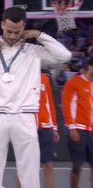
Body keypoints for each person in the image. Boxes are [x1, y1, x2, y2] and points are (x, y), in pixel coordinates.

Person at [0, 6, 71, 188]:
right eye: (9, 31)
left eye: (17, 31)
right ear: (1, 25)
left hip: (25, 115)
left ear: (25, 28)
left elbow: (65, 55)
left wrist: (39, 35)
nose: (13, 36)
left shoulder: (33, 51)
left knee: (29, 173)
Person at [16, 72, 60, 188]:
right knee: (24, 166)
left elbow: (50, 103)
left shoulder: (45, 78)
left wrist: (54, 127)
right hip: (26, 127)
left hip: (46, 127)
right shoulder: (18, 75)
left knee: (48, 165)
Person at [61, 57, 93, 188]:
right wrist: (72, 128)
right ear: (88, 67)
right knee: (77, 164)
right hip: (78, 130)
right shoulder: (74, 82)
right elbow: (66, 105)